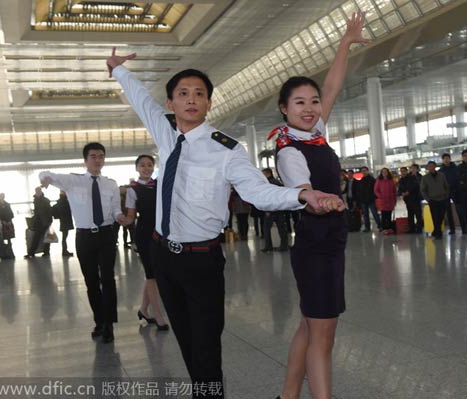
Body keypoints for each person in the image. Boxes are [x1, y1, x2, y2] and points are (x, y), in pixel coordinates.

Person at [107, 47, 341, 398]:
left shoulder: (227, 150)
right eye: (183, 94)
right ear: (171, 103)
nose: (191, 100)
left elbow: (258, 193)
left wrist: (301, 196)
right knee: (186, 343)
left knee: (206, 346)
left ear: (209, 103)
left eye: (199, 94)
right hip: (163, 255)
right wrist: (117, 70)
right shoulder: (166, 134)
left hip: (201, 260)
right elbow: (141, 99)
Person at [268, 12, 366, 399]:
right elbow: (302, 191)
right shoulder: (289, 151)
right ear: (283, 108)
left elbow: (333, 85)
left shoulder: (315, 134)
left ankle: (288, 396)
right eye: (299, 103)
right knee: (323, 335)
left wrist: (344, 44)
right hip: (317, 245)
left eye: (313, 102)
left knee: (309, 327)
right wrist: (320, 201)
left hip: (328, 243)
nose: (310, 108)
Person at [40, 142, 126, 343]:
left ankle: (109, 325)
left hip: (106, 234)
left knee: (107, 279)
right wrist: (44, 179)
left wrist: (120, 215)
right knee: (91, 282)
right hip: (85, 237)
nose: (98, 160)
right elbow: (45, 172)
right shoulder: (72, 181)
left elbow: (115, 208)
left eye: (101, 156)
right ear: (85, 160)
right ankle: (99, 321)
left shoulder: (110, 183)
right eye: (94, 156)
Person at [123, 154, 169, 331]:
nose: (146, 168)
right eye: (142, 165)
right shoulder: (133, 189)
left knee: (154, 274)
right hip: (144, 234)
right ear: (137, 168)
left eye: (150, 165)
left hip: (162, 233)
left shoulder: (159, 184)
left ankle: (143, 309)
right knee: (152, 274)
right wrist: (119, 218)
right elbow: (130, 216)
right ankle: (158, 315)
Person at [420, 161, 450, 239]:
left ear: (435, 166)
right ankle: (438, 233)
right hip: (432, 200)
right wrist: (428, 199)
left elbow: (446, 186)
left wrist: (446, 195)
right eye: (429, 166)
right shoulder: (425, 177)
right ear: (428, 167)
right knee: (435, 216)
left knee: (441, 216)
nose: (431, 167)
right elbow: (423, 190)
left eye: (432, 166)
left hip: (442, 199)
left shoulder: (441, 175)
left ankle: (436, 230)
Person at [262, 168, 289, 252]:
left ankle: (268, 246)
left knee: (266, 228)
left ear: (267, 174)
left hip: (271, 209)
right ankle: (284, 246)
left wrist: (268, 210)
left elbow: (269, 198)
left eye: (263, 174)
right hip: (279, 208)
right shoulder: (278, 183)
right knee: (282, 228)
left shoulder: (268, 184)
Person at [25, 187, 52, 259]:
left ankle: (40, 252)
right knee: (38, 238)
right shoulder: (37, 200)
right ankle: (33, 252)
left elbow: (48, 211)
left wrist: (49, 221)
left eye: (37, 191)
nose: (36, 192)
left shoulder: (43, 200)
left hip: (43, 222)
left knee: (41, 238)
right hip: (40, 222)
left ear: (40, 191)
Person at [355, 166, 381, 232]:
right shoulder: (359, 180)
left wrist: (374, 197)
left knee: (375, 213)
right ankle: (367, 227)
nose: (364, 172)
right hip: (363, 200)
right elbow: (357, 189)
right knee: (365, 215)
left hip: (371, 200)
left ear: (367, 171)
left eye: (365, 170)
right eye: (362, 171)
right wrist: (359, 197)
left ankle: (380, 226)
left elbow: (375, 189)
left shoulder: (372, 179)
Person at [439, 153, 459, 234]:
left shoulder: (455, 168)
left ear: (450, 159)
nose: (446, 160)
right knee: (448, 211)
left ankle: (465, 228)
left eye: (447, 158)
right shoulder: (440, 171)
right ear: (443, 160)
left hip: (456, 191)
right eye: (444, 159)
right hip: (446, 193)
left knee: (460, 209)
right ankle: (452, 229)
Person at [398, 166, 422, 233]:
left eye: (404, 171)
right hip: (407, 200)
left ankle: (419, 228)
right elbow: (399, 189)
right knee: (410, 214)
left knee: (418, 214)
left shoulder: (412, 178)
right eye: (401, 171)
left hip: (415, 199)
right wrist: (401, 193)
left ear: (407, 171)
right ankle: (412, 228)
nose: (402, 172)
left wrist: (409, 191)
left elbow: (416, 187)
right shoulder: (401, 180)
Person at [374, 167, 397, 235]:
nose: (384, 173)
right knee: (384, 215)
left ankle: (389, 228)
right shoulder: (379, 180)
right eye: (383, 172)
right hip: (383, 200)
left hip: (390, 200)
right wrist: (380, 196)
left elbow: (394, 190)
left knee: (389, 214)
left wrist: (394, 200)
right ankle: (384, 228)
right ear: (381, 173)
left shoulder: (391, 180)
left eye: (386, 172)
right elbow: (376, 190)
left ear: (388, 173)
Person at [53, 191, 75, 256]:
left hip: (63, 221)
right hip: (65, 222)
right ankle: (64, 251)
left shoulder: (60, 201)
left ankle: (64, 250)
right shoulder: (65, 201)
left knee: (64, 237)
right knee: (64, 237)